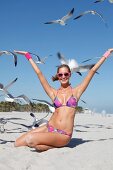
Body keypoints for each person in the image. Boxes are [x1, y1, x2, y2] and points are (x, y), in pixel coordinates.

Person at [14, 49, 113, 152]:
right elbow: (39, 73)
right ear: (58, 76)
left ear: (70, 74)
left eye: (66, 74)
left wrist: (107, 53)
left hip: (63, 135)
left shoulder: (77, 92)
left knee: (30, 140)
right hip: (49, 127)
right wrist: (27, 56)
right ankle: (48, 145)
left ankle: (50, 145)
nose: (63, 77)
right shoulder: (53, 93)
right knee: (17, 143)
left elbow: (92, 71)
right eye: (60, 75)